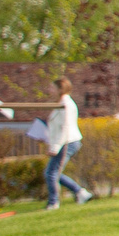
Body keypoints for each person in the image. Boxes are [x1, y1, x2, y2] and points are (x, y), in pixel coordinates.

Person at [41, 76, 88, 209]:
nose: (49, 90)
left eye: (52, 88)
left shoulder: (65, 104)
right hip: (63, 142)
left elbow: (65, 127)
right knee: (53, 172)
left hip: (67, 142)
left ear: (60, 89)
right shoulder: (60, 103)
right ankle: (80, 192)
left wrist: (55, 147)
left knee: (51, 173)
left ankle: (53, 202)